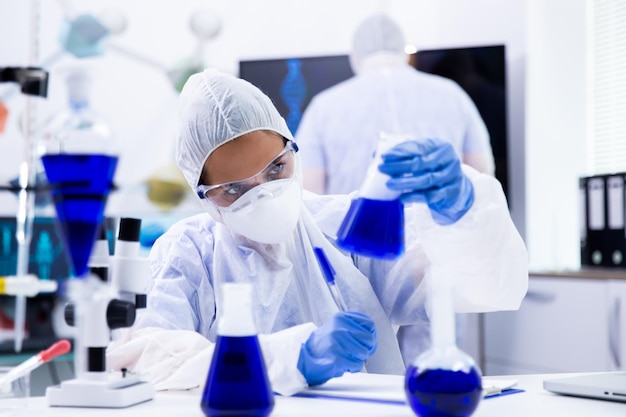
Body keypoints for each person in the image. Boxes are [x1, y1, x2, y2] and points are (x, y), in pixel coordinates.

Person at [106, 68, 528, 397]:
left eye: (276, 169)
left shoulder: (343, 228)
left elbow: (483, 287)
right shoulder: (189, 253)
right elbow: (144, 358)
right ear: (204, 196)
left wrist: (462, 212)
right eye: (234, 189)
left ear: (293, 149)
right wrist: (291, 358)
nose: (266, 194)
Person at [295, 13, 496, 195]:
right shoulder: (453, 95)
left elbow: (310, 194)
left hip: (358, 234)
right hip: (444, 234)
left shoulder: (323, 107)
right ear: (405, 54)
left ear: (355, 57)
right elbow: (482, 178)